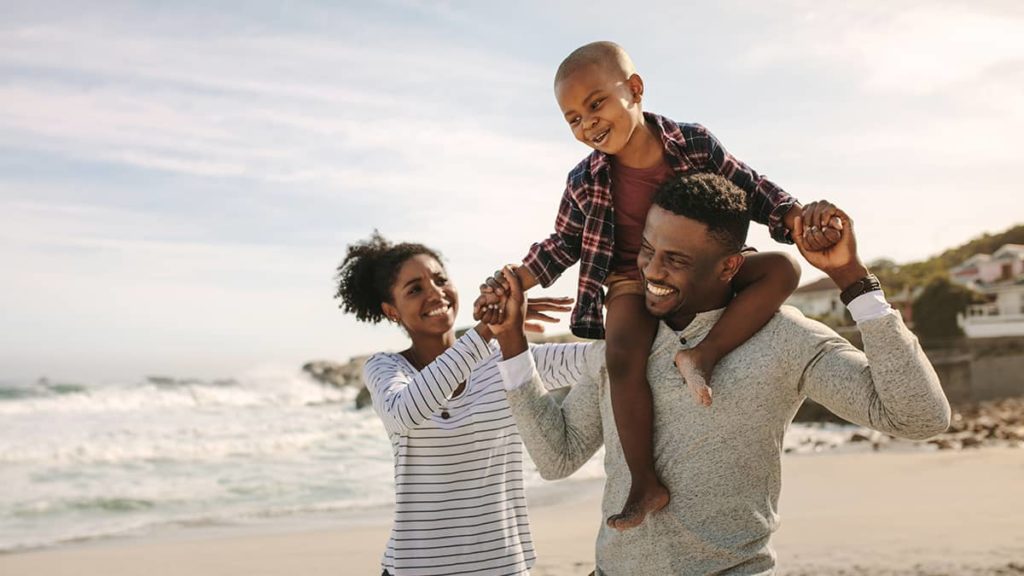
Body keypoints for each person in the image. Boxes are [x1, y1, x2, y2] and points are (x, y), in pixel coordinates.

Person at [488, 173, 951, 575]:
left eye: (677, 259)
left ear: (730, 265)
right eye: (648, 251)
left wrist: (853, 280)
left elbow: (920, 417)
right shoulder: (624, 345)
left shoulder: (783, 338)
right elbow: (557, 457)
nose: (652, 270)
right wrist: (512, 344)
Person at [475, 40, 842, 530]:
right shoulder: (584, 179)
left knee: (783, 271)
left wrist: (795, 217)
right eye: (573, 119)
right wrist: (516, 278)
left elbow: (752, 188)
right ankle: (644, 483)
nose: (587, 125)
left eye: (595, 104)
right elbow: (563, 242)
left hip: (700, 269)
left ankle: (703, 355)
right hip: (632, 277)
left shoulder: (693, 143)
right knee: (622, 354)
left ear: (634, 89)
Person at [333, 231, 585, 576]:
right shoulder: (385, 367)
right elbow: (404, 412)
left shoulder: (508, 360)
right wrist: (486, 331)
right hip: (416, 569)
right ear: (392, 311)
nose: (435, 292)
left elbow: (601, 360)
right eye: (415, 289)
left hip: (504, 567)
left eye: (440, 280)